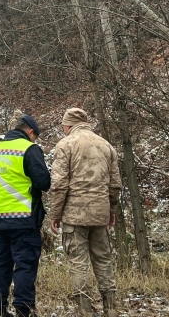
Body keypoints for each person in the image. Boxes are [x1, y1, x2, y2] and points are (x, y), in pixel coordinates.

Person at [49, 108, 122, 317]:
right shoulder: (106, 145)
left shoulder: (65, 145)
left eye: (63, 125)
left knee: (78, 263)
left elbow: (59, 184)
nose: (63, 129)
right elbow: (115, 184)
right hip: (100, 213)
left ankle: (85, 310)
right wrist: (111, 210)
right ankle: (112, 308)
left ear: (69, 125)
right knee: (103, 260)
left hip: (74, 215)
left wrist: (55, 214)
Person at [0, 114, 51, 317]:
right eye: (35, 137)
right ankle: (24, 309)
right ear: (30, 132)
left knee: (0, 263)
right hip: (24, 217)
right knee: (25, 264)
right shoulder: (28, 149)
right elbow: (43, 182)